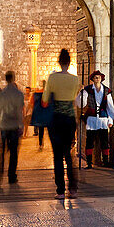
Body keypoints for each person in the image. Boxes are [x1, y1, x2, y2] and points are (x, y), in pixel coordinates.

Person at [43, 49, 79, 198]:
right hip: (70, 120)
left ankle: (60, 191)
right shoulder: (75, 79)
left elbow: (45, 101)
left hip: (56, 120)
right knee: (68, 155)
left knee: (57, 156)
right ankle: (73, 189)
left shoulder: (52, 78)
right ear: (69, 63)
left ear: (59, 61)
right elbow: (75, 101)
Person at [78, 70, 114, 168]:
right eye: (96, 77)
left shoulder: (107, 90)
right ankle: (89, 163)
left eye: (99, 77)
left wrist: (111, 120)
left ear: (101, 78)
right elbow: (80, 104)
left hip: (103, 119)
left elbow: (110, 107)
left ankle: (106, 161)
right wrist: (81, 93)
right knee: (89, 141)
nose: (97, 78)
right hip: (92, 119)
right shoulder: (88, 90)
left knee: (104, 141)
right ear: (92, 79)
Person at [0, 70, 25, 186]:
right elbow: (20, 110)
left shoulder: (1, 94)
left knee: (2, 151)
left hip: (4, 124)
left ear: (5, 79)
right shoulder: (19, 94)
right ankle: (12, 176)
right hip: (15, 125)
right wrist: (21, 125)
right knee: (13, 152)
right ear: (13, 79)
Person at [31, 81, 50, 148]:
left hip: (39, 113)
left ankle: (40, 143)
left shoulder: (36, 94)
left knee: (41, 128)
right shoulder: (48, 94)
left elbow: (32, 103)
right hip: (46, 113)